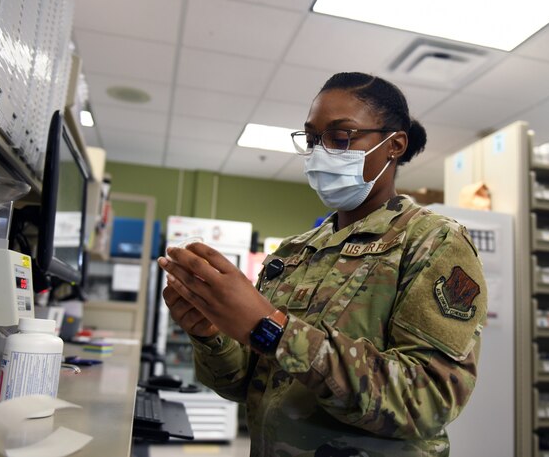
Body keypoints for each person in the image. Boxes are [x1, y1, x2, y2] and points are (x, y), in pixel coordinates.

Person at [157, 72, 487, 457]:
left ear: (394, 145)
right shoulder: (293, 252)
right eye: (313, 138)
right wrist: (211, 334)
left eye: (341, 135)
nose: (320, 151)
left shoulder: (433, 241)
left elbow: (427, 401)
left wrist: (273, 329)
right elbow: (247, 384)